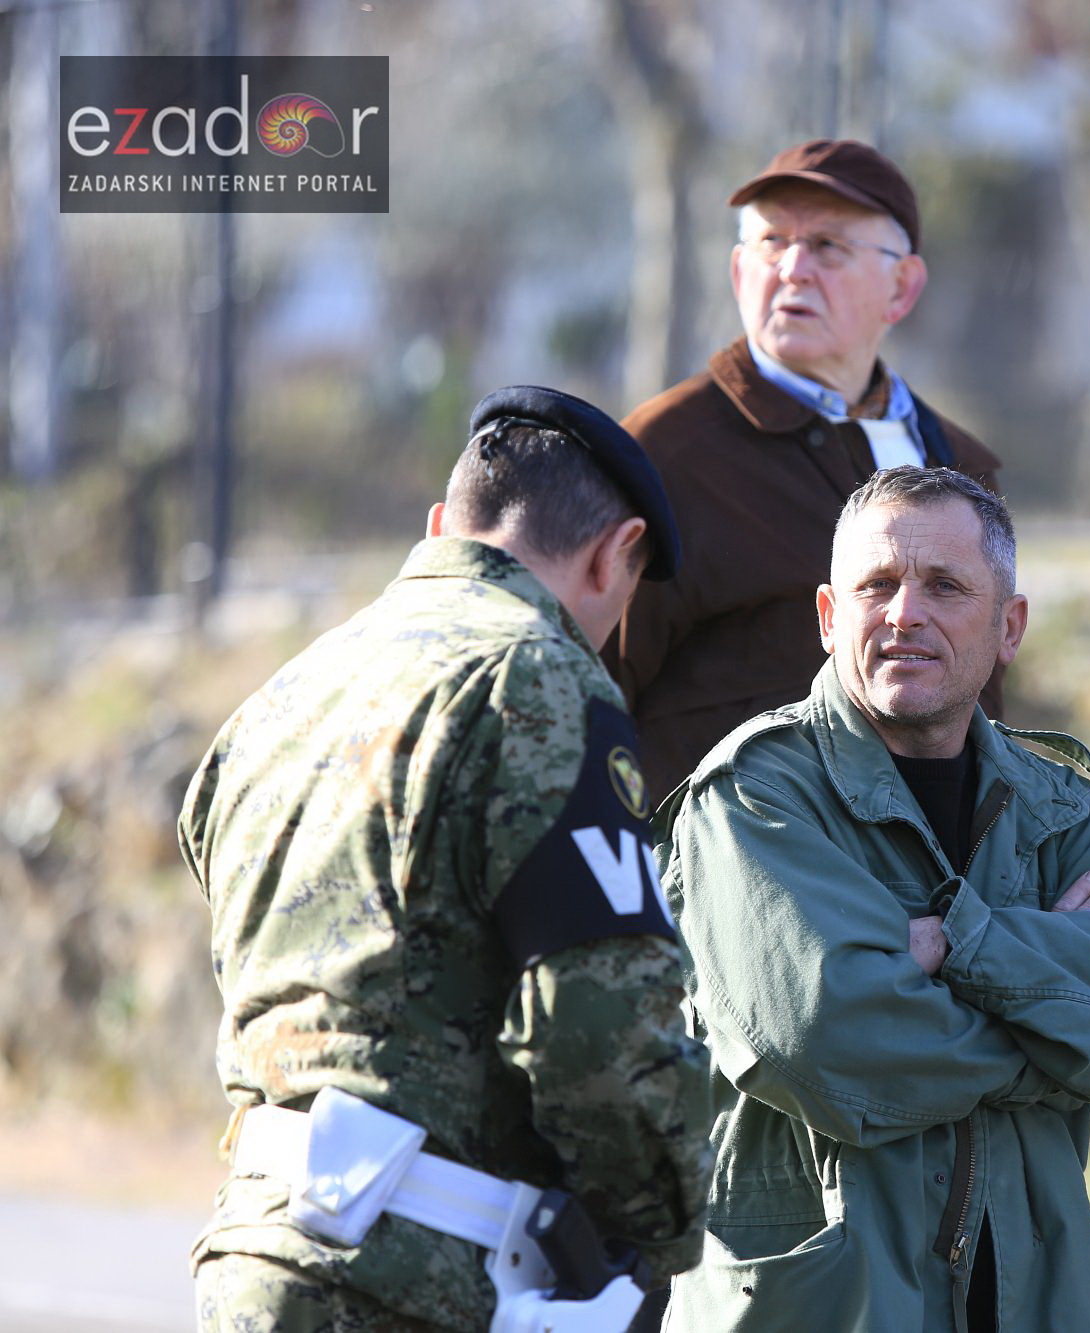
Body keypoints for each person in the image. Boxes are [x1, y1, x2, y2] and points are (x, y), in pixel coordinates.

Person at [181, 387, 713, 1330]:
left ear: (443, 526)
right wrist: (665, 1228)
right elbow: (597, 1029)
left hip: (253, 1252)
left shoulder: (277, 700)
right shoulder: (536, 677)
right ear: (613, 553)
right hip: (421, 1280)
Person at [661, 466, 1090, 1331]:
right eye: (875, 585)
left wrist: (946, 945)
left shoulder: (1056, 800)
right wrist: (1056, 1025)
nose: (904, 613)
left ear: (1010, 625)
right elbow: (826, 1036)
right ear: (827, 616)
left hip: (1038, 1303)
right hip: (826, 1309)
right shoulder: (753, 796)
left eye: (945, 586)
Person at [608, 137, 1004, 797]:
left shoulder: (964, 465)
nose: (793, 267)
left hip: (938, 878)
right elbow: (588, 697)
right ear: (739, 273)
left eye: (828, 246)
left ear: (901, 287)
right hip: (729, 879)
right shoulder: (661, 455)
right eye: (771, 242)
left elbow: (986, 706)